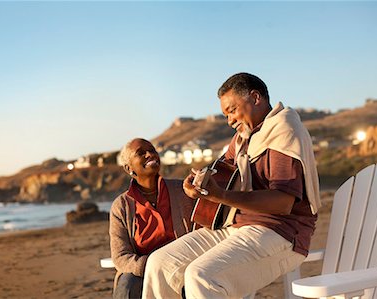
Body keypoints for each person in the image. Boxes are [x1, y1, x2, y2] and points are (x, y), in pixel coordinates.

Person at [142, 73, 321, 298]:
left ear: (256, 98)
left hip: (281, 232)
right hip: (235, 226)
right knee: (160, 263)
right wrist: (198, 185)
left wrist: (221, 196)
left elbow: (283, 202)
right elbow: (223, 170)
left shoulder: (283, 130)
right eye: (226, 114)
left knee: (202, 275)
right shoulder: (244, 137)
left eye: (232, 110)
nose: (229, 121)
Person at [109, 138, 194, 299]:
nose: (150, 154)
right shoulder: (121, 206)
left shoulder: (182, 190)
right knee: (127, 286)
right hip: (143, 270)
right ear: (129, 168)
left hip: (183, 264)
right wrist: (153, 266)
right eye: (141, 153)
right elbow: (120, 257)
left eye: (152, 150)